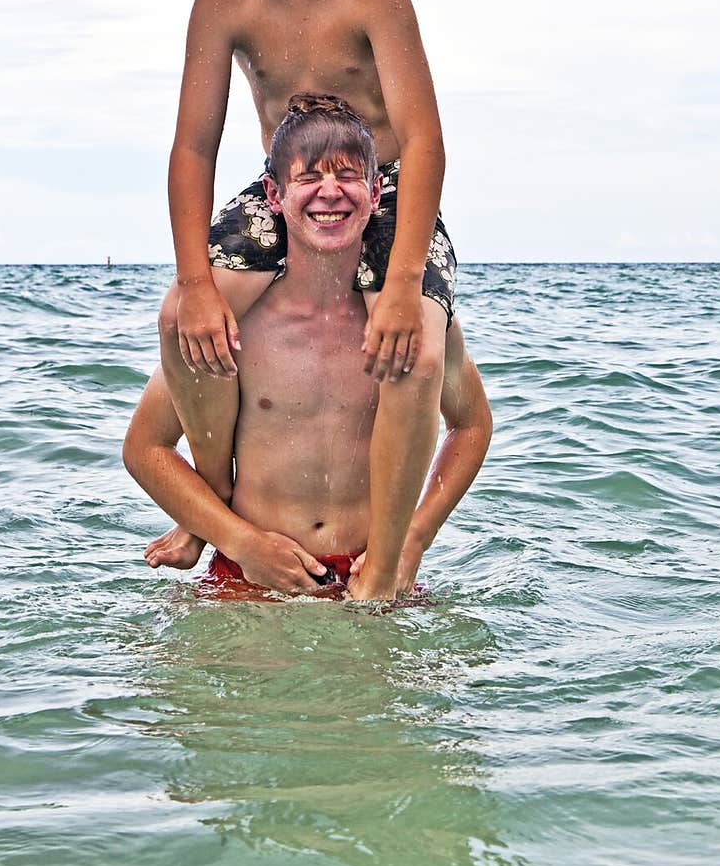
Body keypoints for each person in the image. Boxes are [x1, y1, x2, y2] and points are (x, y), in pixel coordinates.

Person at [157, 0, 460, 601]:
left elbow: (425, 140)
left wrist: (399, 287)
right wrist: (194, 285)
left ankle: (388, 563)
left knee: (417, 352)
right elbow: (193, 149)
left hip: (380, 186)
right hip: (282, 187)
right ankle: (213, 501)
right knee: (177, 317)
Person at [125, 98, 491, 598]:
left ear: (377, 190)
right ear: (274, 195)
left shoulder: (406, 327)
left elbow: (471, 425)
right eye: (309, 178)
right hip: (250, 573)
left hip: (371, 579)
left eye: (347, 175)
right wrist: (240, 541)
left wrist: (414, 539)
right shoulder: (235, 324)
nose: (330, 192)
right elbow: (145, 449)